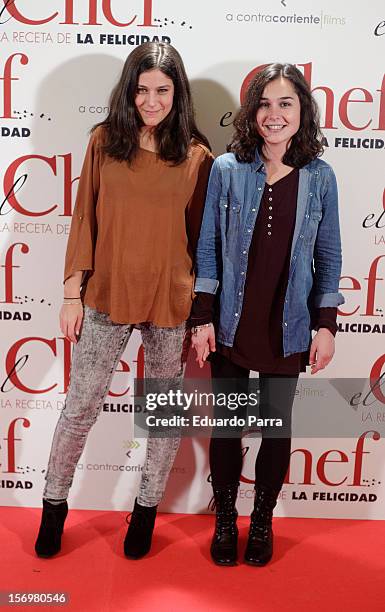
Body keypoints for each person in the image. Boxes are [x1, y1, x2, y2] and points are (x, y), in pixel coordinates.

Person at [34, 42, 212, 560]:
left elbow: (203, 243)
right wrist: (72, 292)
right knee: (80, 405)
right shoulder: (103, 142)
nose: (151, 101)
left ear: (177, 93)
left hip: (170, 300)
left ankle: (147, 509)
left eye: (162, 90)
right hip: (106, 294)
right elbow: (83, 218)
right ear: (128, 92)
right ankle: (53, 505)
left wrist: (202, 313)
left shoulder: (197, 156)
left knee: (161, 414)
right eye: (141, 90)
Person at [190, 63, 344, 566]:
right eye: (265, 103)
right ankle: (225, 520)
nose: (274, 115)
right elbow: (208, 248)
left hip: (290, 326)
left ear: (303, 111)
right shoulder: (227, 169)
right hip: (231, 321)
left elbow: (330, 255)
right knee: (229, 427)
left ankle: (260, 523)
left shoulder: (321, 177)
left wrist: (324, 324)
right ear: (251, 110)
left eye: (286, 104)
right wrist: (203, 315)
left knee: (276, 428)